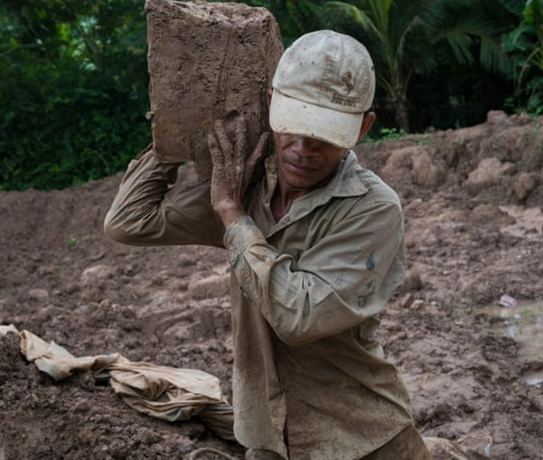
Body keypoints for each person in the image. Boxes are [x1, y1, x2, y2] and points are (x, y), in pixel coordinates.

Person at [104, 30, 430, 460]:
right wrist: (177, 133)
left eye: (324, 134)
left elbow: (298, 317)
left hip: (361, 437)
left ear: (364, 127)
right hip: (267, 435)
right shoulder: (244, 180)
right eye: (292, 125)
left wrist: (233, 216)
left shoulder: (372, 209)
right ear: (271, 102)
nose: (302, 147)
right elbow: (129, 222)